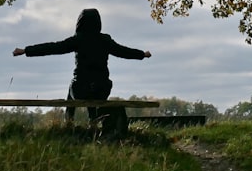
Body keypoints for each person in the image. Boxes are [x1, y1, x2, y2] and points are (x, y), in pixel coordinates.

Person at [12, 8, 151, 122]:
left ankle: (69, 121)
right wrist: (142, 54)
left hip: (80, 90)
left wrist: (26, 50)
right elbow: (123, 51)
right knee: (95, 86)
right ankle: (93, 121)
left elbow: (53, 47)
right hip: (102, 89)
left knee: (76, 86)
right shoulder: (105, 40)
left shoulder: (78, 40)